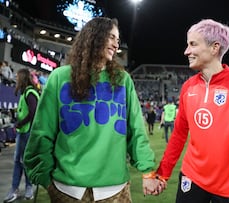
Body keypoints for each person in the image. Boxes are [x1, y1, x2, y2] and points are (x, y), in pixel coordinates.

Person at [23, 17, 165, 202]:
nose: (116, 44)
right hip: (67, 190)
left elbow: (136, 130)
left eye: (118, 39)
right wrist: (45, 179)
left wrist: (147, 170)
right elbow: (42, 132)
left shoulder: (123, 80)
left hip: (115, 190)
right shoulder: (59, 77)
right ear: (94, 37)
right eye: (111, 37)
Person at [156, 19, 229, 203]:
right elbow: (179, 135)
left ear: (214, 47)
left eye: (192, 44)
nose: (186, 51)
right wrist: (162, 174)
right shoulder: (188, 87)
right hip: (191, 177)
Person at [3, 68, 40, 202]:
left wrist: (20, 123)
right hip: (24, 132)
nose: (16, 79)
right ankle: (18, 188)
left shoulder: (30, 92)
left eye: (18, 77)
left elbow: (33, 112)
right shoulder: (27, 92)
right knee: (20, 161)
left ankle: (24, 187)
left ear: (22, 78)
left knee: (23, 162)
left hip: (27, 133)